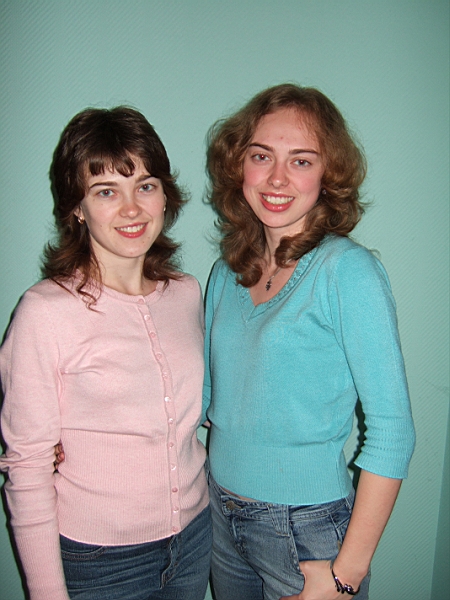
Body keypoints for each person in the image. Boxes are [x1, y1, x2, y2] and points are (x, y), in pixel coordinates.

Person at [203, 84, 415, 600]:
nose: (277, 178)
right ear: (239, 166)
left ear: (327, 174)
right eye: (261, 156)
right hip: (217, 513)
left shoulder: (348, 271)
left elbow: (393, 432)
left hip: (305, 530)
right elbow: (204, 404)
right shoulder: (225, 273)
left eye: (301, 161)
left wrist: (347, 575)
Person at [0, 107, 211, 600]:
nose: (132, 209)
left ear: (165, 194)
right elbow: (27, 467)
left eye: (145, 185)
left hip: (195, 538)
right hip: (101, 562)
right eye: (106, 191)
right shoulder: (45, 312)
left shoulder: (186, 294)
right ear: (77, 207)